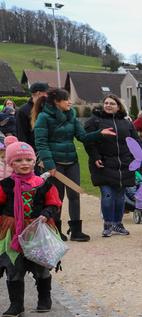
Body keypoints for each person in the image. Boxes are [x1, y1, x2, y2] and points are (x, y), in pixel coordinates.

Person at [32, 88, 115, 242]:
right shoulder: (43, 117)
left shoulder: (71, 116)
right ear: (57, 102)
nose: (70, 102)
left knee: (74, 195)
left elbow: (82, 136)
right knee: (56, 197)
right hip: (54, 163)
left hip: (72, 162)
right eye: (67, 99)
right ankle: (56, 231)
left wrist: (99, 133)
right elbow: (41, 143)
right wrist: (49, 165)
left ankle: (76, 231)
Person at [0, 136, 61, 317]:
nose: (24, 163)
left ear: (34, 161)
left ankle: (44, 299)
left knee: (41, 265)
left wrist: (46, 214)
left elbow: (54, 203)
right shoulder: (5, 185)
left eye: (28, 159)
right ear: (10, 163)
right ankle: (16, 305)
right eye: (18, 160)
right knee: (13, 266)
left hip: (38, 228)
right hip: (11, 230)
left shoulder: (44, 184)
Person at [83, 94, 141, 238]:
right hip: (104, 163)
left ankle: (118, 223)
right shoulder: (94, 121)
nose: (108, 105)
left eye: (112, 103)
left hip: (123, 165)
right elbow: (88, 141)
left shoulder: (127, 123)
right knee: (108, 195)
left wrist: (134, 158)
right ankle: (108, 224)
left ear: (118, 106)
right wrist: (95, 157)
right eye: (106, 103)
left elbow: (135, 141)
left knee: (120, 196)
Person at [15, 82, 49, 150]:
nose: (48, 96)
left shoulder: (48, 108)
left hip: (49, 150)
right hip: (33, 152)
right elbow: (21, 136)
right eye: (47, 93)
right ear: (39, 93)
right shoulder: (22, 111)